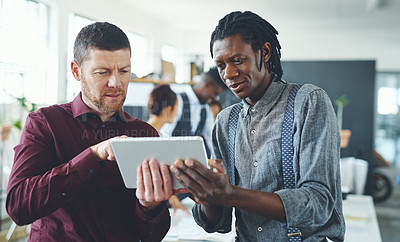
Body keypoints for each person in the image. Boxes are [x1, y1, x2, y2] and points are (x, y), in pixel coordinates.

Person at [170, 11, 345, 241]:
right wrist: (207, 195)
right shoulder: (225, 122)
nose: (229, 74)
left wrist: (230, 194)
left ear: (264, 52)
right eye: (221, 65)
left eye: (237, 60)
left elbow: (319, 203)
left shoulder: (308, 101)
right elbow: (219, 222)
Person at [6, 22, 172, 241]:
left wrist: (150, 207)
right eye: (102, 72)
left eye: (124, 71)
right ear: (77, 71)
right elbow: (19, 208)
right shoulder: (45, 123)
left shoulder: (144, 134)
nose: (116, 82)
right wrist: (92, 156)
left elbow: (153, 236)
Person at [160, 67, 225, 157]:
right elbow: (165, 134)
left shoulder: (206, 108)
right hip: (172, 159)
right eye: (215, 93)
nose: (215, 98)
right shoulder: (178, 101)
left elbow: (211, 138)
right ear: (207, 85)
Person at [146, 84, 189, 214]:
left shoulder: (156, 132)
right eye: (177, 109)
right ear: (168, 109)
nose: (177, 114)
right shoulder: (150, 134)